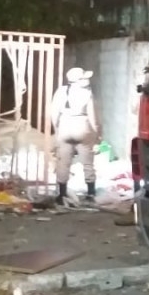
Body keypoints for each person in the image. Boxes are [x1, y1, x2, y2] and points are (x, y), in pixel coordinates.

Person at [51, 67, 100, 205]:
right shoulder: (87, 93)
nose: (87, 80)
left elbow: (54, 114)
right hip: (82, 128)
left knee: (63, 162)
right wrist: (98, 134)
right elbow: (93, 118)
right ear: (78, 80)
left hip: (65, 128)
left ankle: (62, 194)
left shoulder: (61, 91)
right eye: (84, 78)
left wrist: (57, 130)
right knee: (88, 162)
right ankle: (90, 193)